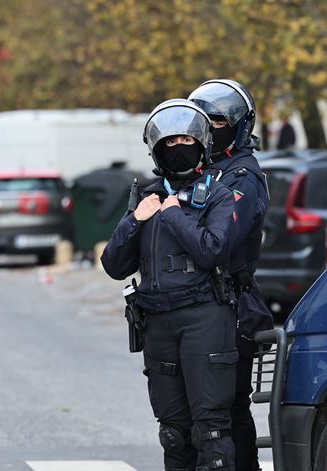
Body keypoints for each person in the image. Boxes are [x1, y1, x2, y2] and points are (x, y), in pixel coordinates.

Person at [101, 99, 238, 471]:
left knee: (210, 432)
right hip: (158, 322)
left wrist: (175, 213)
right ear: (157, 149)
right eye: (170, 143)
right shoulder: (145, 196)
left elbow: (212, 251)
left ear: (201, 144)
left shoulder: (217, 195)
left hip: (204, 320)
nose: (178, 149)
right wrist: (134, 220)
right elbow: (113, 265)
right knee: (173, 432)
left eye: (186, 141)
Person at [188, 80, 272, 471]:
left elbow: (218, 242)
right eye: (205, 119)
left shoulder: (243, 176)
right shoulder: (199, 170)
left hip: (231, 303)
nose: (211, 126)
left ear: (238, 125)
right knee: (196, 412)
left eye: (219, 120)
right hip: (196, 303)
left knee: (228, 409)